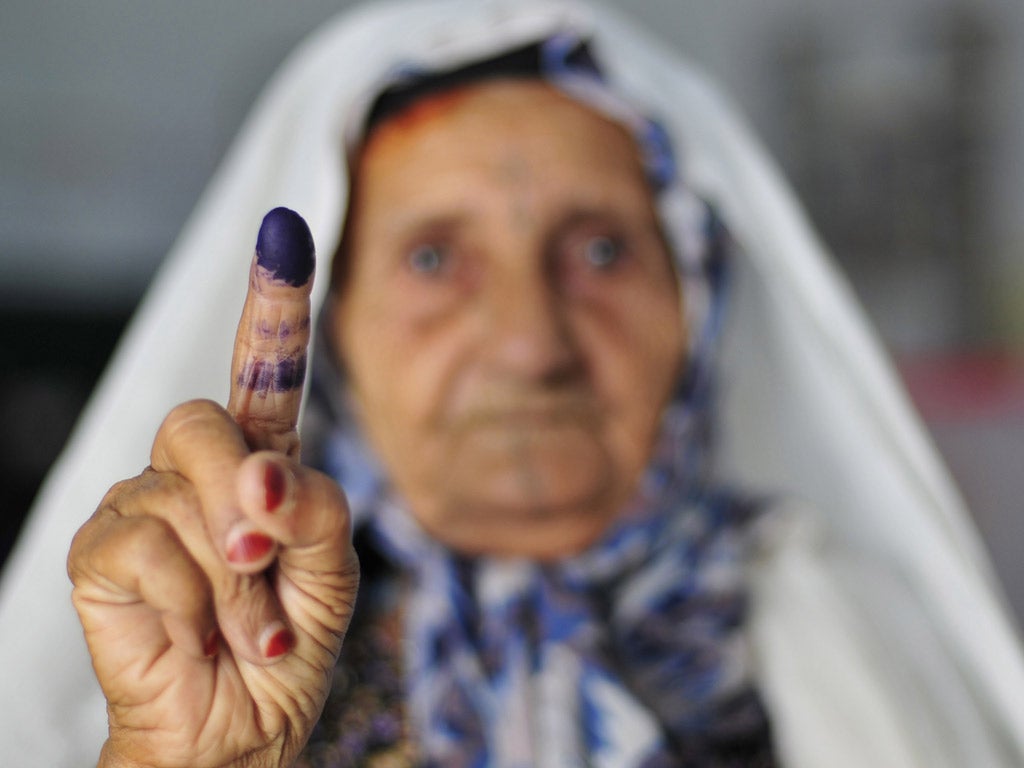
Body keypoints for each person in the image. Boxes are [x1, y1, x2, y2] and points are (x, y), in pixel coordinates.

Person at [2, 1, 1023, 766]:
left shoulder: (859, 651)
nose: (532, 345)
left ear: (697, 300)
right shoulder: (212, 666)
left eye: (602, 253)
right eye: (436, 261)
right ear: (338, 331)